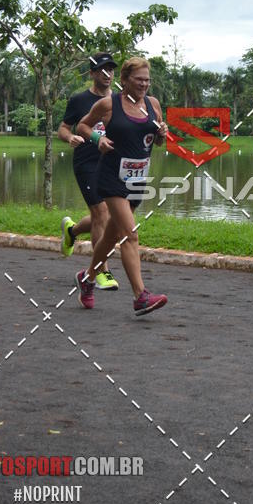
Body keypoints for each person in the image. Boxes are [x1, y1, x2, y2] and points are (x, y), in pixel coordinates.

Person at [74, 57, 168, 315]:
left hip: (137, 179)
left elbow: (157, 140)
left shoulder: (152, 104)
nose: (144, 85)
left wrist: (162, 135)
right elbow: (81, 125)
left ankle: (87, 278)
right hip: (111, 177)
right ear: (125, 79)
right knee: (130, 234)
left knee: (112, 236)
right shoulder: (108, 104)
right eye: (139, 80)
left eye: (147, 80)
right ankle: (140, 296)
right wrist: (97, 139)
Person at [57, 52, 118, 290]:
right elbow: (63, 128)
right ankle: (101, 271)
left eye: (111, 69)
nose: (107, 74)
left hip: (112, 164)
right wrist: (70, 136)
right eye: (102, 69)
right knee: (101, 214)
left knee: (100, 217)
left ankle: (72, 230)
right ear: (92, 73)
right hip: (87, 163)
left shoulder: (121, 100)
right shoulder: (79, 100)